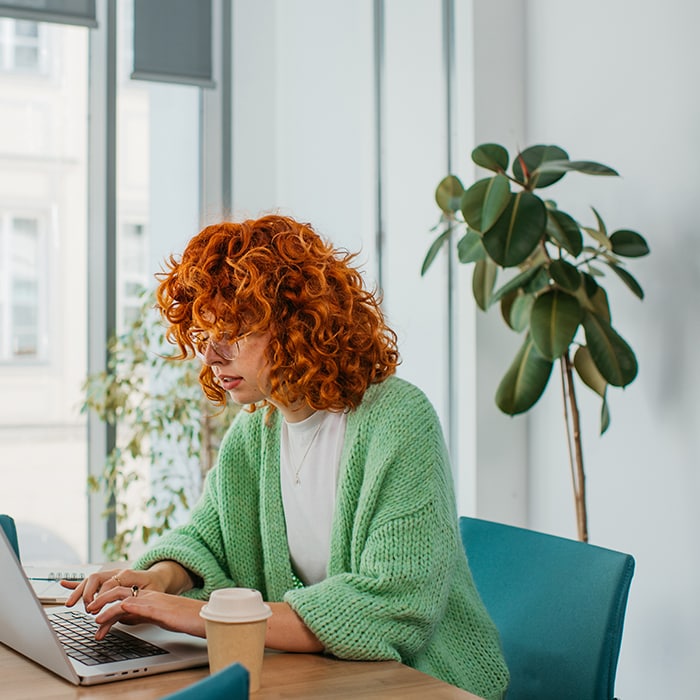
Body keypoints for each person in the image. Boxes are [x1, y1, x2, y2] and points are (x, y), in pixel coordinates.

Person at [65, 214, 509, 699]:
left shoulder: (398, 421)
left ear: (299, 325)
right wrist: (154, 581)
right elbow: (207, 541)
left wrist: (194, 614)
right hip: (330, 682)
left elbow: (392, 607)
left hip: (426, 683)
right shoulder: (253, 435)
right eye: (205, 333)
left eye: (234, 332)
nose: (211, 355)